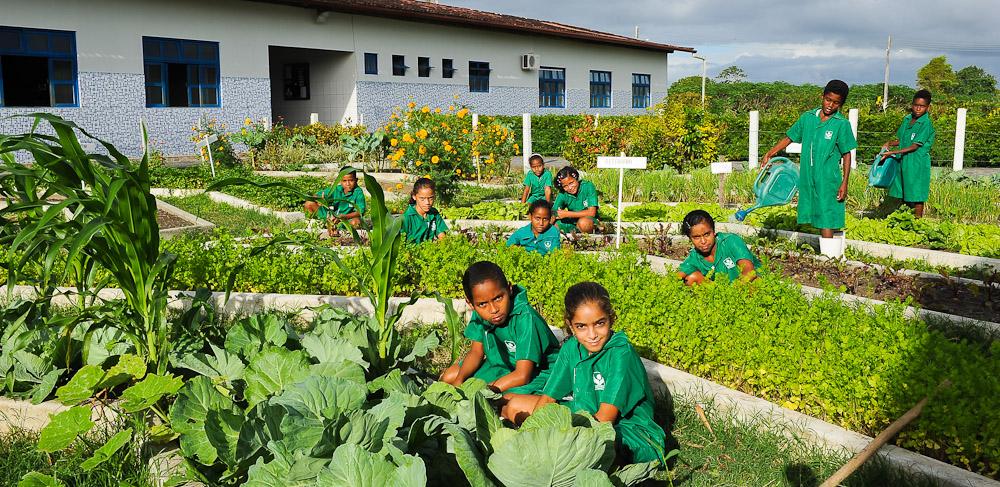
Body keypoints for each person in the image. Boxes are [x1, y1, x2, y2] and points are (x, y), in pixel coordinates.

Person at [502, 282, 667, 465]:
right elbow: (548, 399)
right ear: (570, 325)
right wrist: (534, 433)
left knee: (599, 451)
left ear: (611, 319)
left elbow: (605, 420)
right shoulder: (572, 348)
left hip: (627, 432)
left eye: (599, 324)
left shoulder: (621, 354)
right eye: (581, 326)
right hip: (585, 416)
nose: (592, 334)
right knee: (515, 405)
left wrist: (561, 442)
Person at [440, 261, 560, 400]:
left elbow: (523, 375)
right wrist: (458, 382)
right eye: (482, 304)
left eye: (498, 298)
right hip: (501, 367)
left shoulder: (525, 318)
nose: (493, 309)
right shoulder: (481, 314)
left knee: (504, 400)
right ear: (470, 303)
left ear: (509, 289)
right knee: (450, 377)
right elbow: (476, 352)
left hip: (537, 372)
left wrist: (483, 391)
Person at [761, 80, 858, 247]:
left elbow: (846, 154)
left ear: (841, 104)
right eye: (828, 100)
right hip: (808, 176)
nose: (830, 105)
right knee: (819, 212)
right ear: (822, 96)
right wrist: (771, 152)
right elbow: (789, 137)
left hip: (828, 178)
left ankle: (829, 256)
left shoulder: (841, 124)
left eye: (836, 103)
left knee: (827, 215)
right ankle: (834, 251)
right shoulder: (808, 118)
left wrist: (845, 182)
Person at [881, 89, 935, 218]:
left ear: (927, 107)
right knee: (904, 191)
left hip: (916, 163)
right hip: (904, 161)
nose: (918, 108)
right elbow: (902, 140)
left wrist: (893, 152)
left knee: (916, 193)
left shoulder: (926, 124)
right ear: (912, 104)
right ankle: (905, 219)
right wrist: (889, 143)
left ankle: (917, 222)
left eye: (922, 106)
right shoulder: (907, 119)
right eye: (916, 105)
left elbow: (914, 146)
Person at [676, 210, 760, 285]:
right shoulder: (694, 257)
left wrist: (733, 293)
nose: (703, 241)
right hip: (722, 293)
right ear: (690, 238)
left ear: (714, 231)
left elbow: (749, 272)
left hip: (744, 287)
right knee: (691, 278)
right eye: (696, 237)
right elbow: (676, 277)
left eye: (707, 234)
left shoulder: (730, 241)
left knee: (756, 282)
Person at [552, 166, 599, 234]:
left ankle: (597, 228)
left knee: (583, 223)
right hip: (572, 222)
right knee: (554, 226)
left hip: (588, 220)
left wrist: (567, 214)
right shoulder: (563, 193)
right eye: (565, 186)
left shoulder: (588, 186)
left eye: (571, 183)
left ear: (576, 178)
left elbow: (592, 213)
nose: (570, 188)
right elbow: (554, 212)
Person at [400, 177, 447, 243]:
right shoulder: (407, 217)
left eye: (430, 198)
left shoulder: (434, 213)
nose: (427, 202)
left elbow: (442, 236)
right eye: (422, 199)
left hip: (428, 251)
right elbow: (401, 242)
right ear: (414, 196)